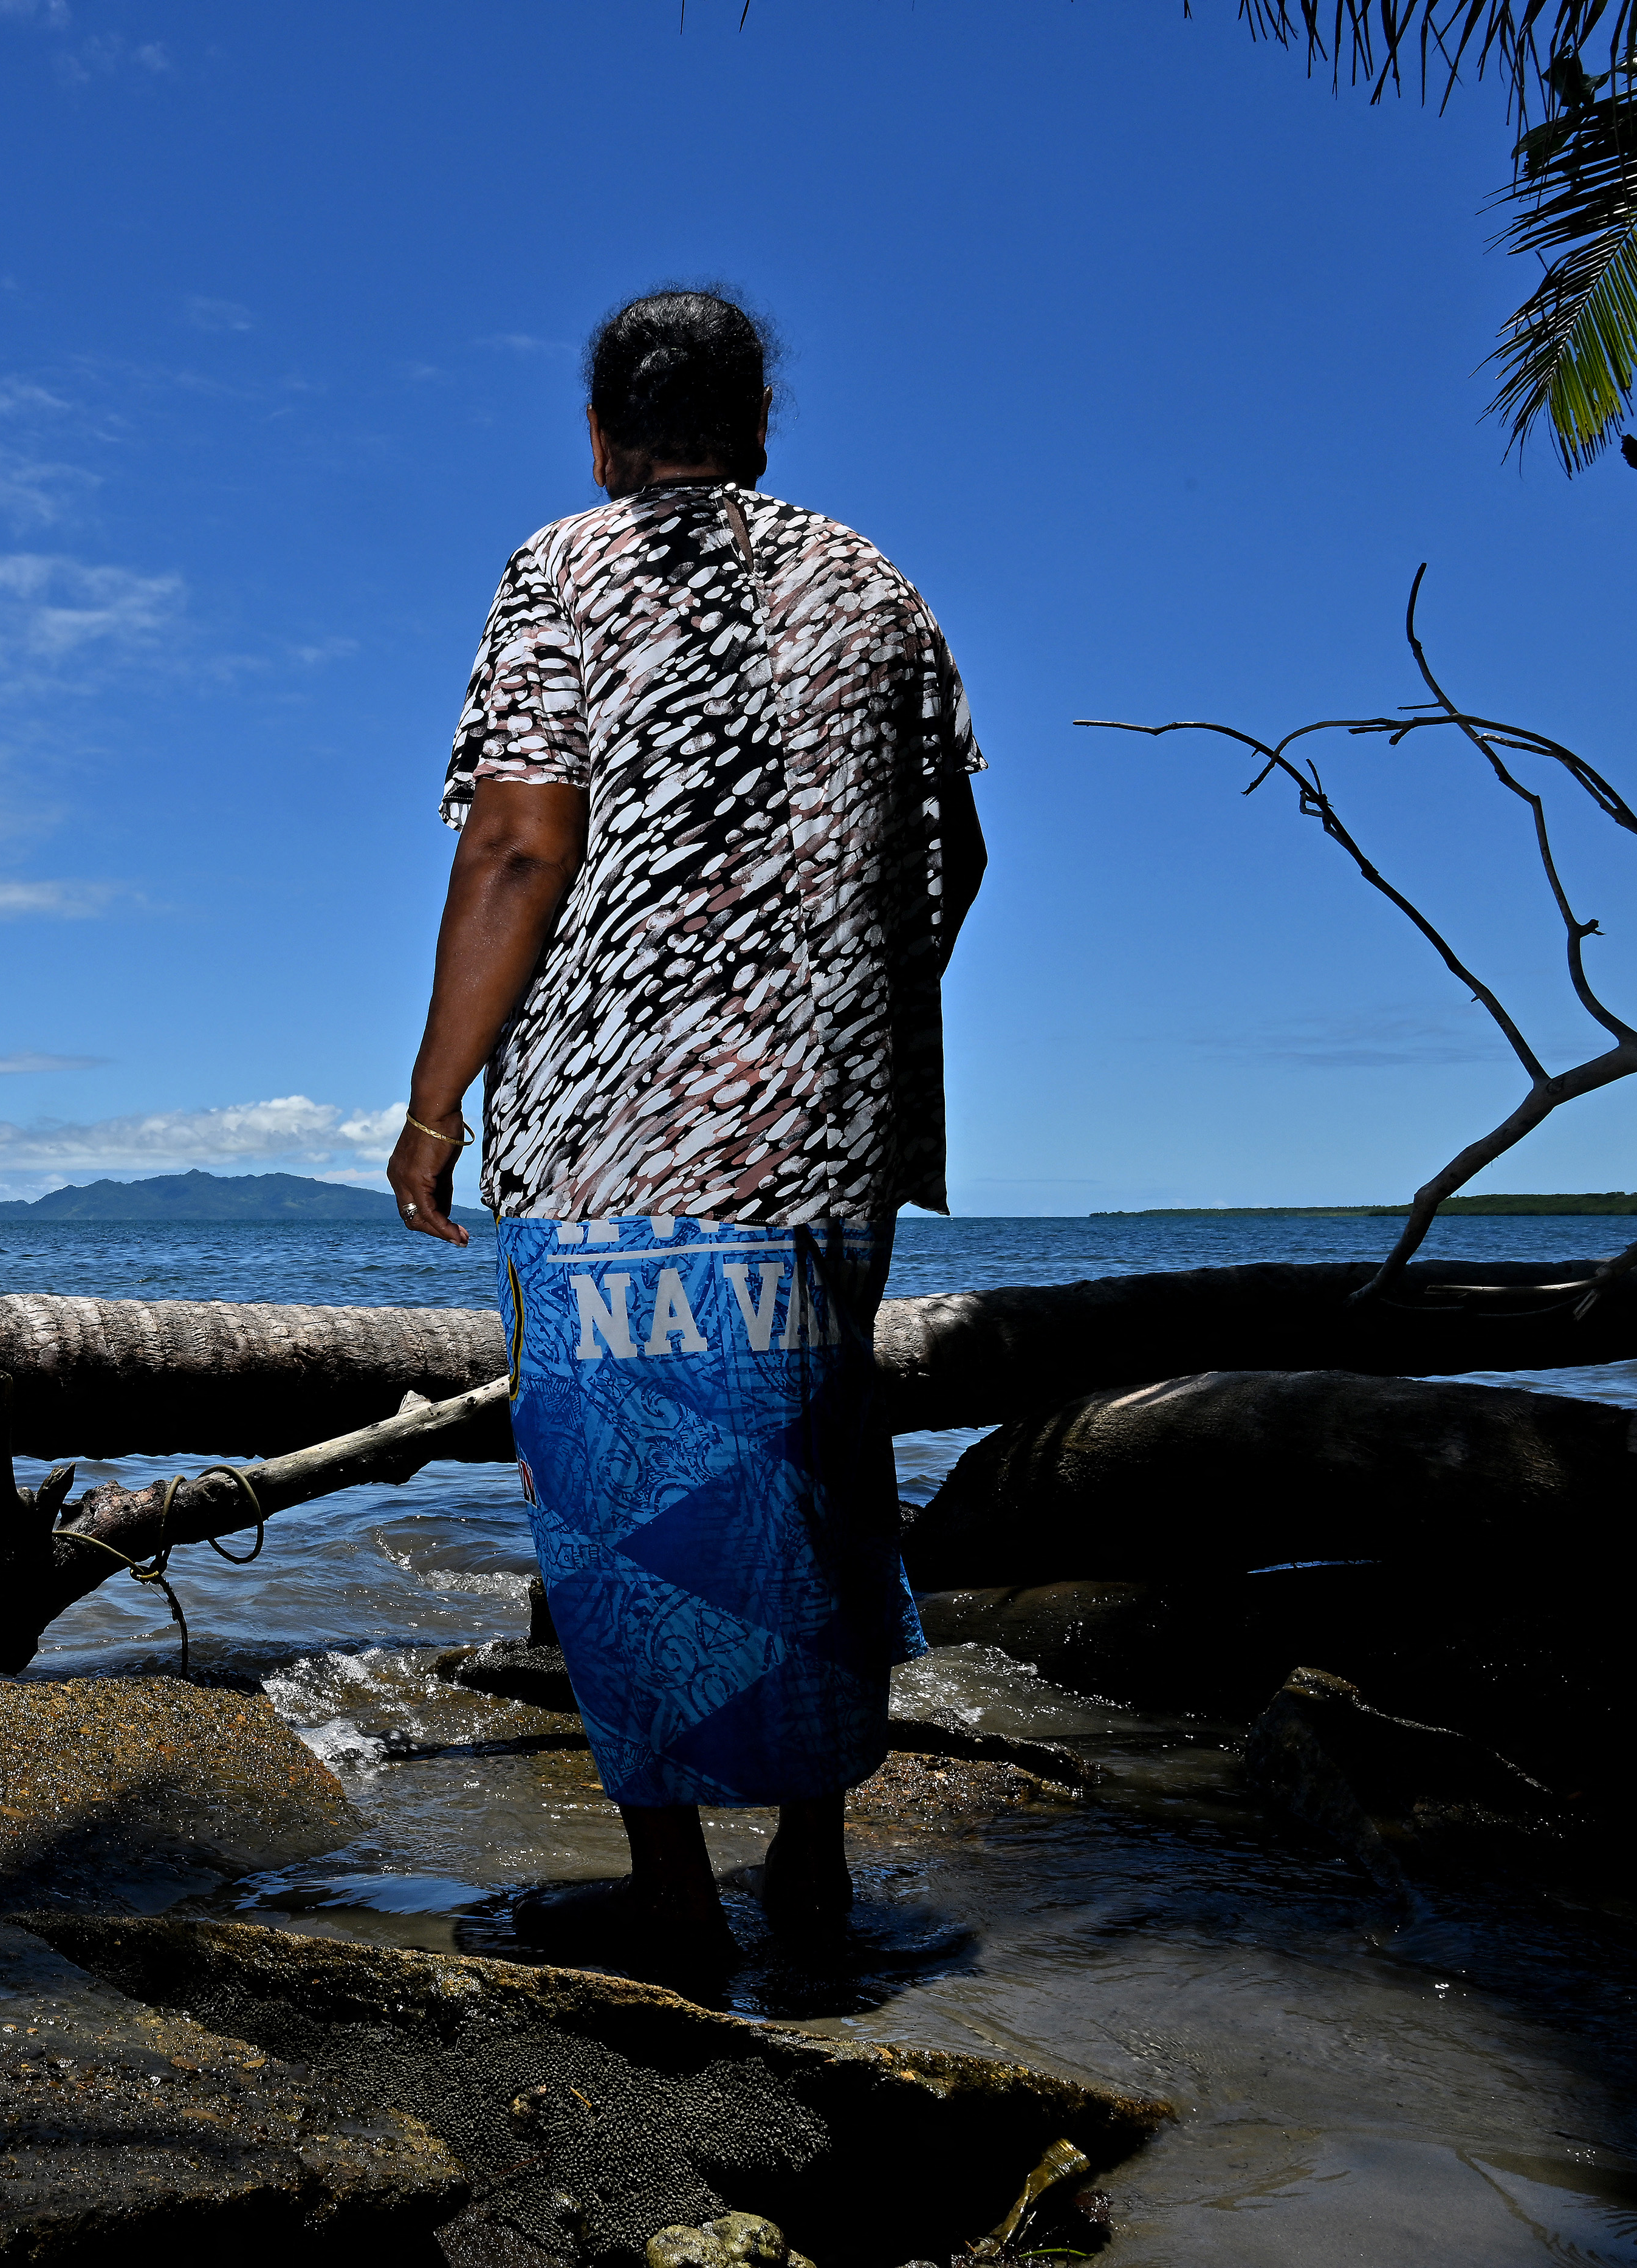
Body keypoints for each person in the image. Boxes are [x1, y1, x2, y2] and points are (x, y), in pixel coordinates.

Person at [386, 286, 986, 1983]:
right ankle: (814, 1861)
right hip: (828, 1133)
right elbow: (955, 857)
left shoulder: (563, 570)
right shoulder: (878, 587)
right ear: (760, 428)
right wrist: (825, 1020)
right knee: (812, 1470)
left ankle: (670, 1891)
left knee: (623, 1505)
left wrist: (436, 1105)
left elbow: (517, 842)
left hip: (617, 1144)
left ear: (602, 433)